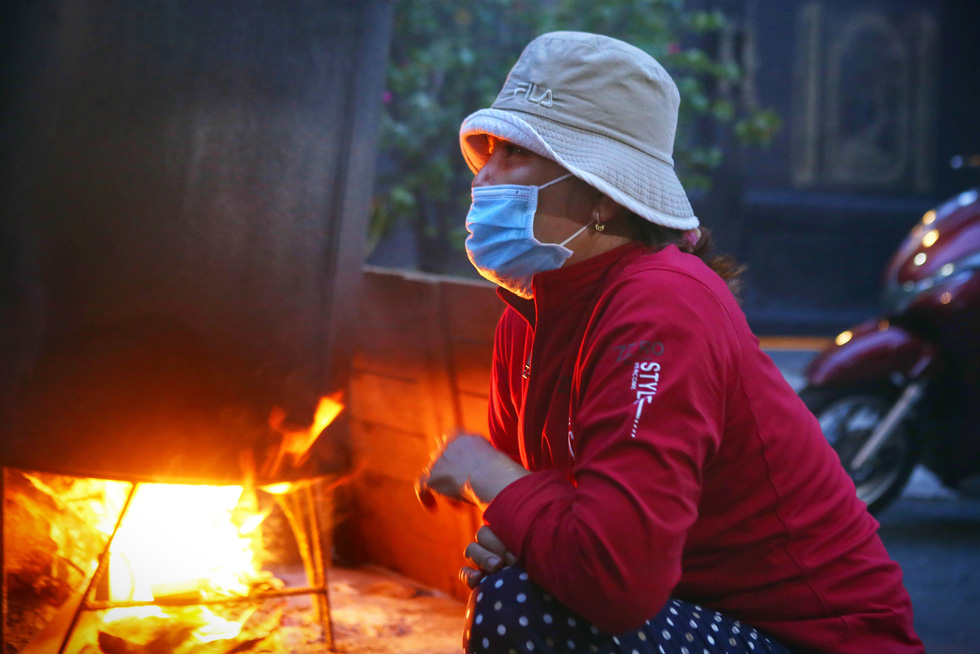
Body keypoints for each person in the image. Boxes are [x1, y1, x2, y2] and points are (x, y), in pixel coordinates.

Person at [415, 31, 923, 654]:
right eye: (486, 150)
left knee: (518, 607)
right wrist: (526, 528)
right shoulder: (528, 314)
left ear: (600, 196)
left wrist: (489, 472)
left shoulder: (664, 302)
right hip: (688, 614)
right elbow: (578, 527)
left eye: (514, 154)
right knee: (520, 584)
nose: (483, 176)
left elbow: (615, 581)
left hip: (813, 642)